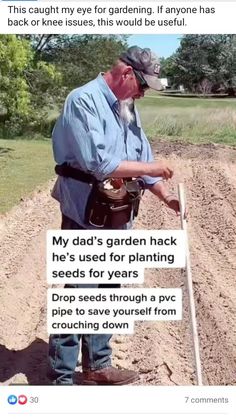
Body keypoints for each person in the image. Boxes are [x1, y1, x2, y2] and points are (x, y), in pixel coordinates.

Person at [48, 45, 181, 385]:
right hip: (84, 211)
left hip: (117, 213)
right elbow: (100, 163)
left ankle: (98, 366)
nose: (144, 92)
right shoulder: (82, 101)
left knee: (109, 289)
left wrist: (166, 196)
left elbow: (141, 152)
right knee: (81, 291)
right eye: (142, 85)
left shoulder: (127, 106)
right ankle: (62, 377)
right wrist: (154, 168)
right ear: (125, 74)